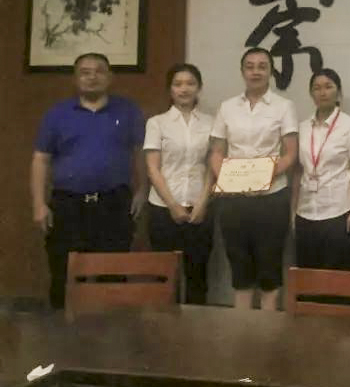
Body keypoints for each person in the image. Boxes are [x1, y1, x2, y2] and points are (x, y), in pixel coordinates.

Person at [30, 52, 147, 309]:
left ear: (110, 77)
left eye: (99, 71)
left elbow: (140, 153)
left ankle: (111, 331)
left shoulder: (128, 111)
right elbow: (41, 159)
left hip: (114, 203)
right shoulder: (57, 114)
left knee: (113, 274)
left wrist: (142, 190)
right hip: (68, 205)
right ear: (75, 78)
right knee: (64, 273)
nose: (92, 77)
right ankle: (62, 330)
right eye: (85, 72)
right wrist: (39, 204)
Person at [209, 47, 298, 311]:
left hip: (271, 198)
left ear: (270, 71)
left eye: (262, 66)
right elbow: (216, 152)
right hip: (233, 200)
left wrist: (260, 178)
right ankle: (242, 330)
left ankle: (268, 331)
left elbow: (290, 154)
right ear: (242, 71)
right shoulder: (227, 107)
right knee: (240, 270)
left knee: (270, 270)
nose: (256, 71)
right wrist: (228, 178)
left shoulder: (284, 107)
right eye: (250, 66)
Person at [144, 63, 215, 304]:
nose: (184, 89)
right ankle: (165, 327)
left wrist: (202, 203)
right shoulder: (157, 123)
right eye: (178, 84)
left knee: (198, 277)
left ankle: (196, 326)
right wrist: (173, 205)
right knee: (165, 278)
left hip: (199, 209)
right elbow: (153, 168)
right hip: (163, 209)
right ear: (170, 89)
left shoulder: (211, 122)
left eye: (190, 83)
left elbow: (212, 166)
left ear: (199, 87)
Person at [293, 68, 350, 272]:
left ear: (338, 92)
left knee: (340, 277)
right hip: (306, 212)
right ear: (311, 94)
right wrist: (293, 211)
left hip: (339, 211)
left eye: (328, 87)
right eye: (316, 88)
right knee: (308, 277)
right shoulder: (302, 127)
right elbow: (298, 171)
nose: (322, 92)